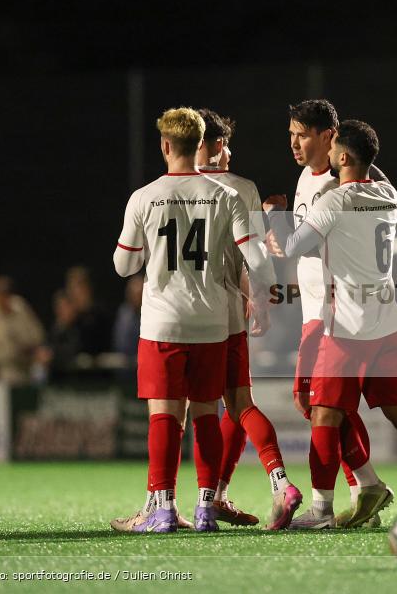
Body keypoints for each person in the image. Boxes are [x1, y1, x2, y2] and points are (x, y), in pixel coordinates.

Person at [110, 107, 300, 534]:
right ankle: (207, 507)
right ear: (200, 145)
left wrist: (145, 253)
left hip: (162, 323)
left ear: (164, 146)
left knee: (164, 416)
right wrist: (266, 293)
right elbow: (256, 260)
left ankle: (160, 510)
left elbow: (124, 266)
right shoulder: (228, 194)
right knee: (206, 415)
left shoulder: (144, 197)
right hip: (214, 322)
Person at [265, 119, 397, 528]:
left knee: (324, 417)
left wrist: (273, 214)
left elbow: (291, 248)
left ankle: (320, 510)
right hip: (387, 325)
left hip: (345, 328)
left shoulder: (333, 202)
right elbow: (374, 172)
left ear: (344, 156)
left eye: (335, 148)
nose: (329, 153)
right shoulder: (389, 194)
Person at [278, 99, 389, 528]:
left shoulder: (353, 185)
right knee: (325, 407)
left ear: (330, 137)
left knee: (318, 404)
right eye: (290, 135)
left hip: (334, 315)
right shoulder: (306, 177)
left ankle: (348, 496)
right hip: (312, 310)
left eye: (302, 135)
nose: (294, 144)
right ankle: (366, 491)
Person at [0, 276, 45, 385]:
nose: (4, 299)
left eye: (7, 295)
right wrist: (18, 352)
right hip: (3, 367)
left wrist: (31, 349)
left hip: (31, 360)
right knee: (11, 376)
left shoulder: (19, 305)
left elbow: (38, 334)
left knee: (42, 371)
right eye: (1, 295)